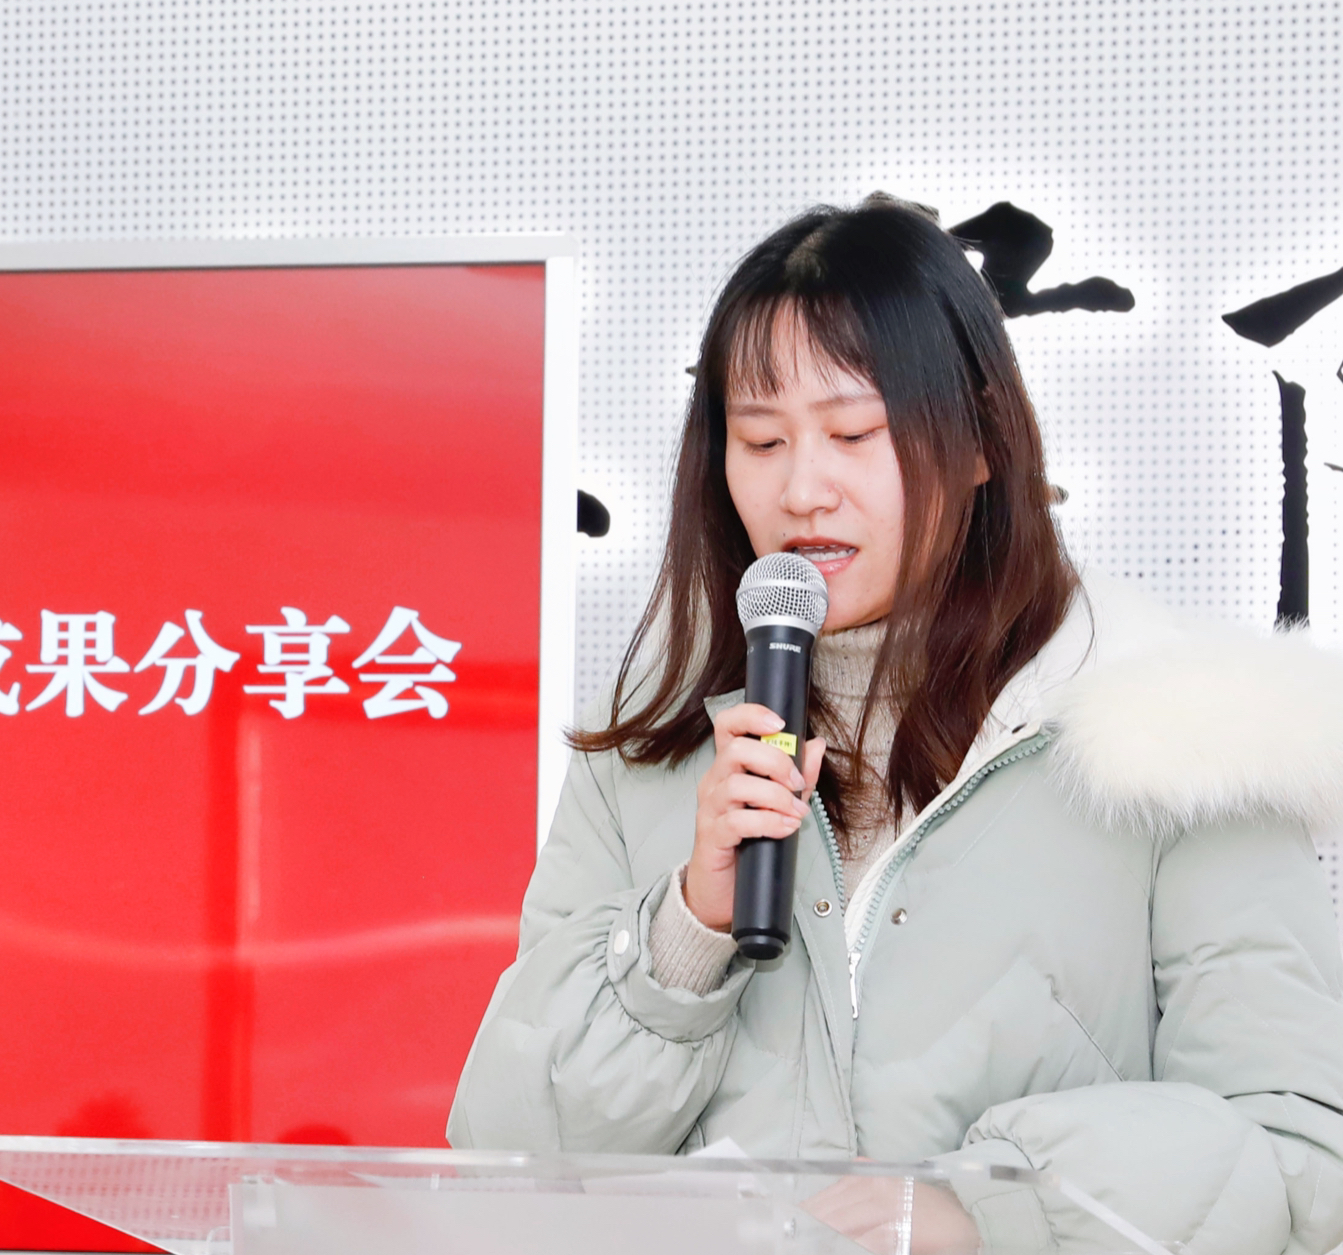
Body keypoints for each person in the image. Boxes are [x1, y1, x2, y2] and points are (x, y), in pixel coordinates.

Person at [447, 197, 1343, 1253]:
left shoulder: (1184, 737)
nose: (801, 489)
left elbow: (1298, 1158)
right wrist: (685, 932)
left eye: (851, 433)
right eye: (760, 439)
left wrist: (991, 1211)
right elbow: (505, 1163)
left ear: (978, 441)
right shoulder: (648, 753)